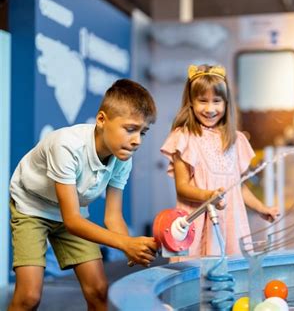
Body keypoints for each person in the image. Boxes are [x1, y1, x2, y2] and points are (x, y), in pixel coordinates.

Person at [8, 79, 158, 311]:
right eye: (130, 129)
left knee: (98, 290)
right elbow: (72, 221)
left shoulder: (122, 157)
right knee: (29, 297)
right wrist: (126, 243)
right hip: (32, 207)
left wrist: (132, 250)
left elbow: (113, 217)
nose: (137, 140)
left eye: (143, 132)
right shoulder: (67, 146)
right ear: (101, 120)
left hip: (72, 211)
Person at [161, 64, 279, 262]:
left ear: (226, 104)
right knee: (196, 280)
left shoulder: (235, 139)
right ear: (191, 102)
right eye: (202, 101)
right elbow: (182, 188)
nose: (210, 109)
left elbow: (237, 187)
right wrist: (209, 196)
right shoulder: (184, 137)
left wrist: (261, 208)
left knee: (231, 277)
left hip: (231, 224)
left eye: (216, 101)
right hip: (198, 222)